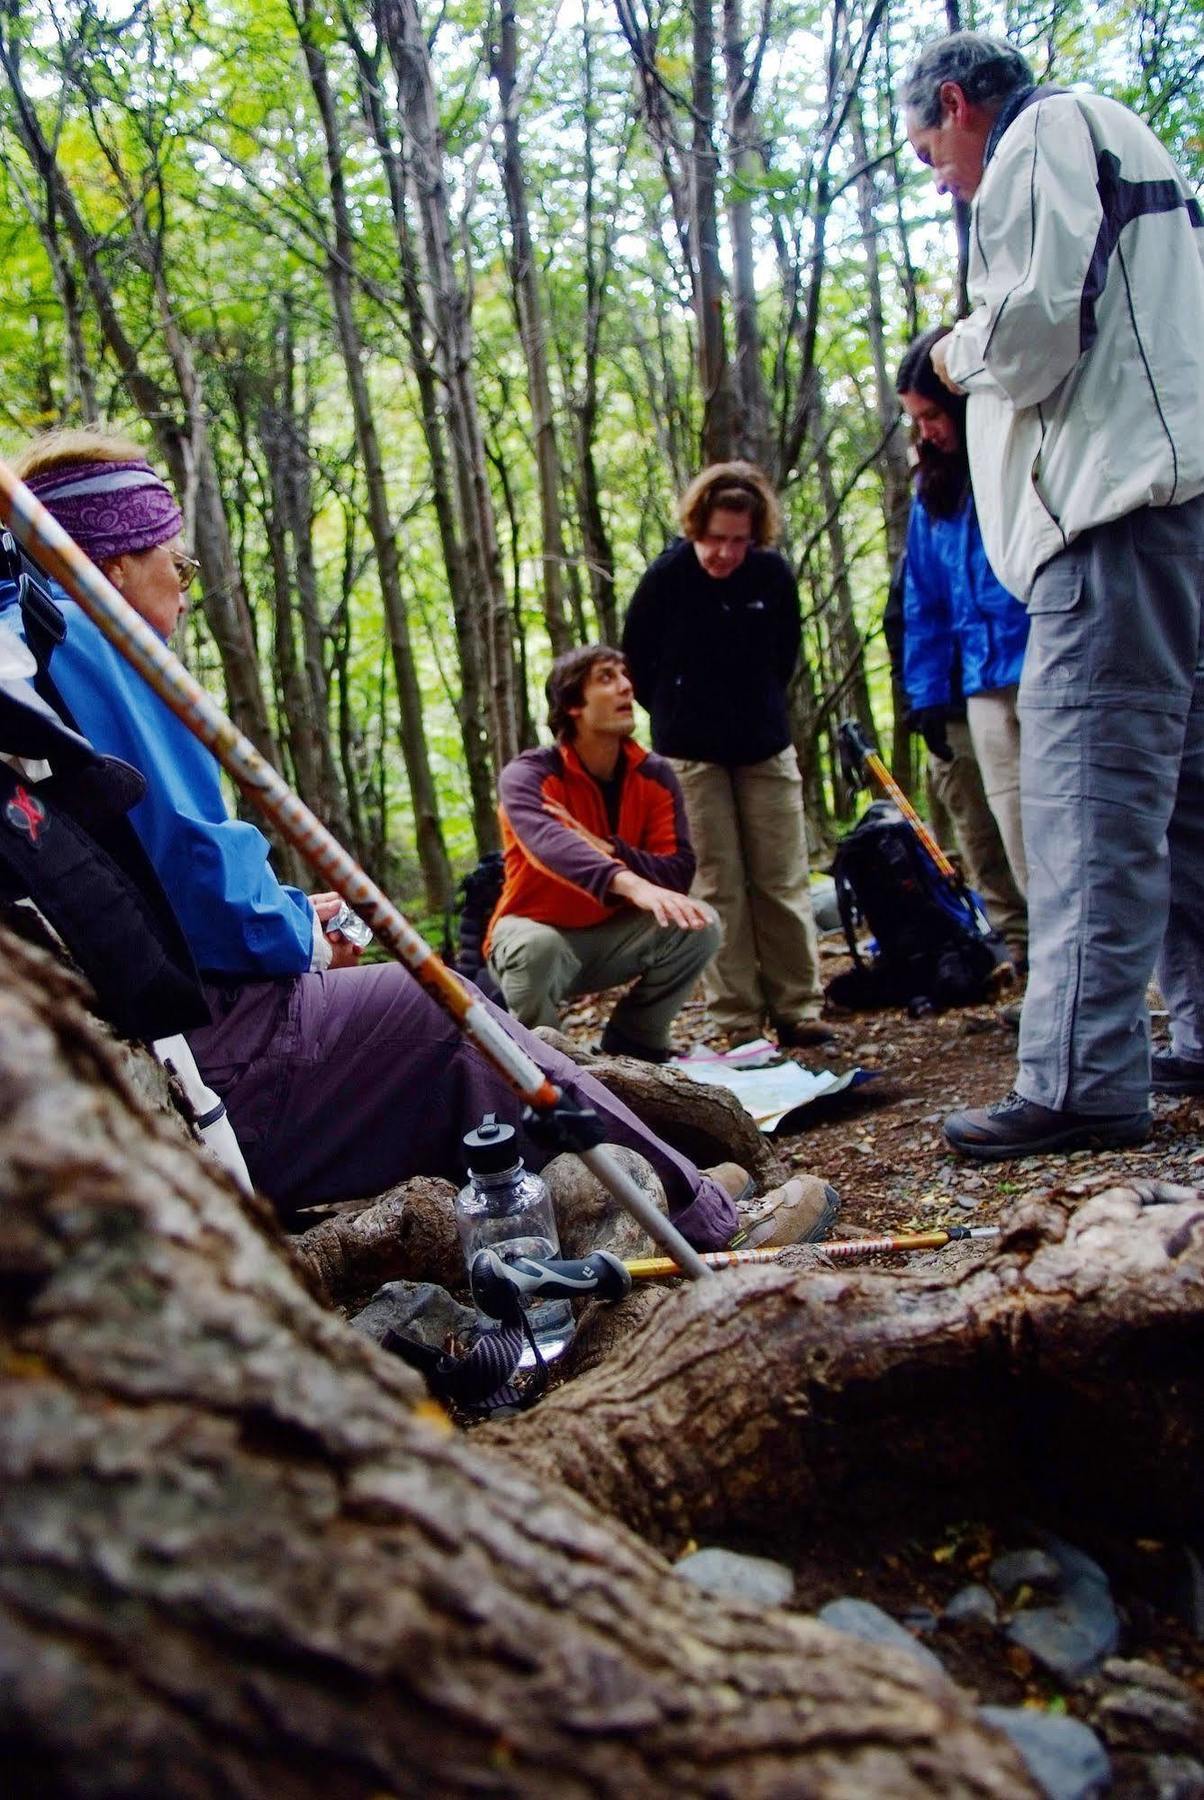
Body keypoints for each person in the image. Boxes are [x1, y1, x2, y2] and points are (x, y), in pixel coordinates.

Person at [3, 428, 835, 1248]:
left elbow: (147, 883)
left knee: (475, 1019)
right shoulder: (108, 648)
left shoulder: (31, 659)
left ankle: (616, 1193)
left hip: (126, 1042)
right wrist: (300, 935)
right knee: (442, 1011)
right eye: (176, 562)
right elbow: (202, 881)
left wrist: (291, 914)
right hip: (202, 1048)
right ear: (112, 561)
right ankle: (698, 1223)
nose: (187, 586)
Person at [901, 31, 1204, 1158]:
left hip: (1112, 523)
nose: (937, 173)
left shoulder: (1039, 133)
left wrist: (953, 349)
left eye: (928, 146)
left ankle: (1080, 1077)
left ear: (955, 103)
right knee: (1179, 804)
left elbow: (1030, 339)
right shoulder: (1126, 141)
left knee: (1085, 808)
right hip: (1174, 514)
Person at [621, 463, 831, 1052]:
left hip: (763, 746)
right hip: (690, 755)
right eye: (714, 538)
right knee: (717, 885)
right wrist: (675, 707)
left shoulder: (771, 576)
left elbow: (784, 655)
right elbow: (636, 655)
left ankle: (799, 1007)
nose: (724, 553)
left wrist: (758, 706)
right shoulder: (668, 577)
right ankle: (738, 1018)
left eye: (738, 540)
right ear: (695, 528)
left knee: (781, 878)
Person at [485, 645, 720, 1061]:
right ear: (573, 703)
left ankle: (636, 1043)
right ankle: (553, 1068)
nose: (626, 686)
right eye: (606, 678)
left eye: (625, 675)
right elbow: (551, 847)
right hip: (533, 932)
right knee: (537, 948)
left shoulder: (654, 773)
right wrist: (629, 882)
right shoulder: (529, 775)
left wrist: (611, 850)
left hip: (611, 937)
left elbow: (677, 871)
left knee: (699, 923)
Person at [895, 325, 1030, 968]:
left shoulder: (1019, 451)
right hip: (980, 684)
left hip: (1047, 663)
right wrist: (927, 696)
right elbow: (925, 601)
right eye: (913, 420)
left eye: (930, 415)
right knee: (1011, 837)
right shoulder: (933, 493)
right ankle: (1042, 976)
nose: (924, 431)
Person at [883, 552, 1027, 966]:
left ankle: (1067, 936)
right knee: (980, 830)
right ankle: (1017, 939)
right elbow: (904, 629)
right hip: (950, 710)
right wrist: (919, 701)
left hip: (1020, 683)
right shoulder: (924, 548)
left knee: (1036, 822)